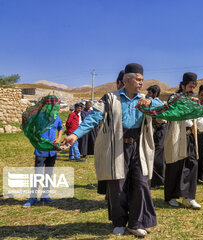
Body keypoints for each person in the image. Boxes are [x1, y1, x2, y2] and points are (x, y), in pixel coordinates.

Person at [62, 63, 161, 237]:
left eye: (142, 80)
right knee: (118, 185)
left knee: (141, 183)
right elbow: (93, 118)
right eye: (138, 80)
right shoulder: (110, 98)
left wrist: (151, 100)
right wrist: (75, 135)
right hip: (117, 146)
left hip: (139, 147)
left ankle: (136, 223)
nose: (141, 83)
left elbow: (163, 106)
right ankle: (119, 222)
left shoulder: (145, 98)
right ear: (127, 80)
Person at [164, 72, 203, 209]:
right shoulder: (174, 99)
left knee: (192, 164)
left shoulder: (192, 100)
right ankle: (171, 196)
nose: (192, 90)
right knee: (175, 166)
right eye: (190, 87)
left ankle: (189, 197)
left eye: (194, 87)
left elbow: (198, 118)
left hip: (190, 136)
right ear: (182, 86)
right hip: (176, 136)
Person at [23, 114, 63, 207]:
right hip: (41, 150)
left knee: (48, 174)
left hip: (52, 151)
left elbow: (60, 128)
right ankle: (32, 197)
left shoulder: (57, 118)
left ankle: (45, 195)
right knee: (38, 174)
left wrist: (59, 138)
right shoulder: (39, 117)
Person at [146, 85, 167, 190]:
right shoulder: (150, 104)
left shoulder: (159, 104)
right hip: (155, 130)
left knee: (157, 156)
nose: (147, 95)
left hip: (160, 130)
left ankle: (157, 182)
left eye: (150, 93)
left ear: (155, 94)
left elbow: (159, 119)